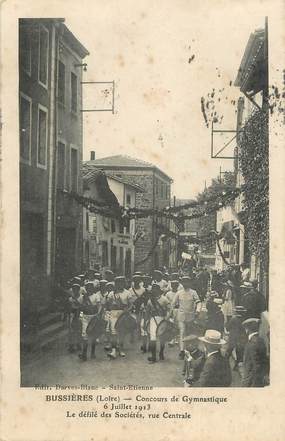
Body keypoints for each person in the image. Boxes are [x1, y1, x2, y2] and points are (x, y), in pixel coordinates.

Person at [171, 276, 201, 359]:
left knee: (191, 334)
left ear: (190, 283)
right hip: (181, 316)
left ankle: (192, 351)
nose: (185, 284)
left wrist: (198, 311)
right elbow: (173, 304)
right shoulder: (179, 293)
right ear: (182, 283)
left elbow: (199, 302)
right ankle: (182, 351)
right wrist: (171, 313)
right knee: (182, 332)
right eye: (183, 282)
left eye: (187, 282)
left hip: (191, 316)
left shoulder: (193, 292)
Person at [106, 276, 134, 359]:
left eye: (121, 282)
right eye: (118, 282)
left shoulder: (127, 293)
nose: (120, 284)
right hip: (113, 314)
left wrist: (127, 310)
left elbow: (131, 305)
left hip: (123, 313)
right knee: (113, 332)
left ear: (124, 283)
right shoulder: (112, 293)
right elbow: (108, 304)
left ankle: (121, 349)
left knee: (121, 332)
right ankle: (114, 350)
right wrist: (112, 306)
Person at [78, 281, 103, 361]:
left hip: (94, 317)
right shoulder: (83, 297)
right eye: (87, 287)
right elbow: (80, 308)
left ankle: (92, 353)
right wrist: (80, 317)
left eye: (90, 287)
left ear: (93, 288)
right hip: (85, 317)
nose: (89, 289)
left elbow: (99, 306)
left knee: (94, 335)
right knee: (84, 334)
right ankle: (84, 354)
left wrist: (98, 314)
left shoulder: (96, 296)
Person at [146, 283, 170, 363]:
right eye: (153, 289)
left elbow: (169, 310)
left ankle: (161, 353)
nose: (154, 291)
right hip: (153, 320)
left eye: (156, 289)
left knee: (162, 338)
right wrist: (146, 321)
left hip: (162, 319)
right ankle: (153, 357)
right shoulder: (150, 301)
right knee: (153, 338)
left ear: (159, 290)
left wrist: (167, 317)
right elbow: (148, 311)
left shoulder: (164, 299)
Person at [242, 318, 269, 387]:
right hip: (260, 378)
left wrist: (247, 383)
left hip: (252, 381)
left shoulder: (252, 343)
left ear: (247, 329)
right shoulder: (261, 340)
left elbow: (255, 366)